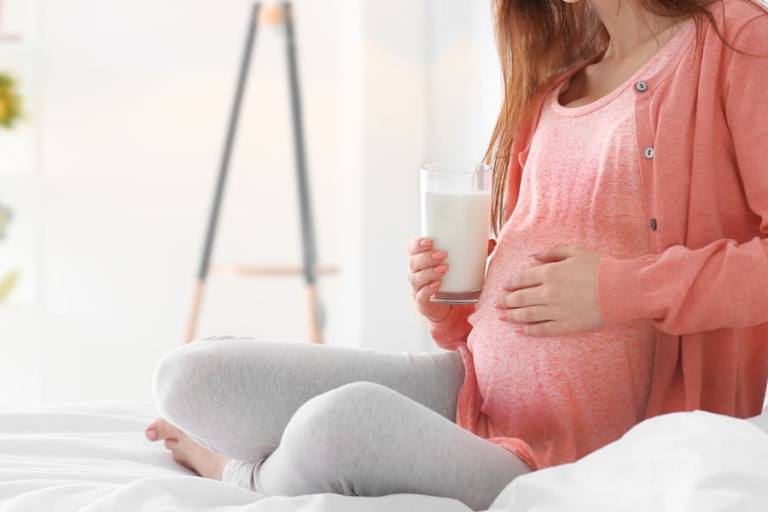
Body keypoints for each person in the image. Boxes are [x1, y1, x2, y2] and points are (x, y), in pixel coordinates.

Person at [145, 0, 768, 509]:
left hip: (579, 456)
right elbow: (531, 267)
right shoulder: (562, 73)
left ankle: (236, 475)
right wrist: (454, 306)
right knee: (190, 377)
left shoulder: (736, 40)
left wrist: (615, 291)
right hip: (475, 392)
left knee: (339, 423)